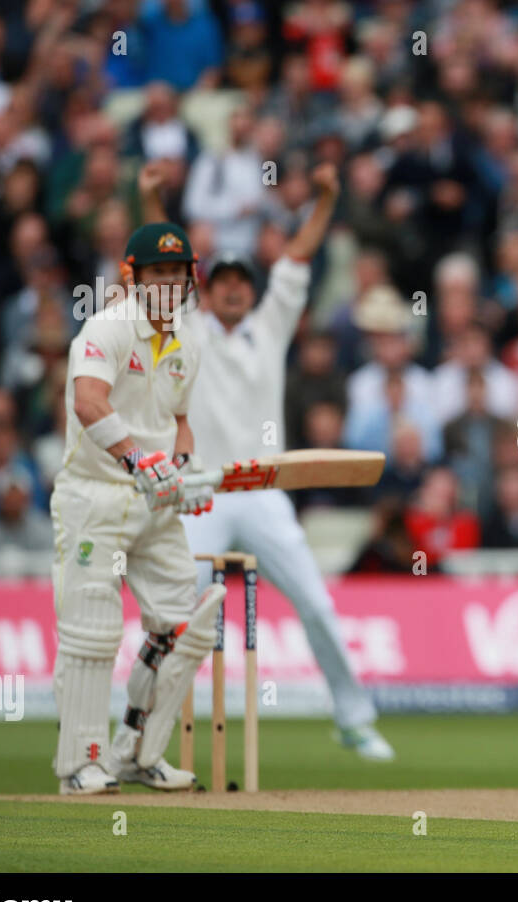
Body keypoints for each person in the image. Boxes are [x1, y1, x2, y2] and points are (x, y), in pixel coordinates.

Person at [135, 162, 394, 760]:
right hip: (199, 492)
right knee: (175, 615)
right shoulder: (184, 328)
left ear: (250, 290)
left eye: (239, 281)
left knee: (317, 603)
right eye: (220, 279)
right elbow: (161, 265)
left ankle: (354, 719)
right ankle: (142, 724)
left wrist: (326, 198)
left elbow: (299, 256)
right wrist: (151, 198)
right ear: (207, 287)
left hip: (263, 488)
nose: (231, 288)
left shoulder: (270, 328)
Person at [52, 220, 221, 794]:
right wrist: (136, 461)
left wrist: (183, 470)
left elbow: (179, 423)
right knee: (93, 631)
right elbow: (88, 401)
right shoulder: (105, 328)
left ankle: (137, 752)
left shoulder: (188, 341)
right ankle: (81, 762)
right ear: (133, 276)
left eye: (178, 272)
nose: (169, 283)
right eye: (158, 272)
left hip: (153, 504)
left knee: (182, 626)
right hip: (94, 497)